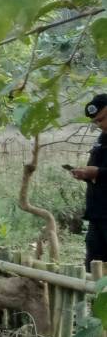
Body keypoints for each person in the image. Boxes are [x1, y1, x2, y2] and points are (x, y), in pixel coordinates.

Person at [72, 93, 107, 269]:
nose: (100, 125)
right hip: (98, 214)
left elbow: (100, 172)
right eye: (96, 122)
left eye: (102, 119)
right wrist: (86, 174)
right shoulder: (102, 139)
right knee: (94, 265)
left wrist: (98, 173)